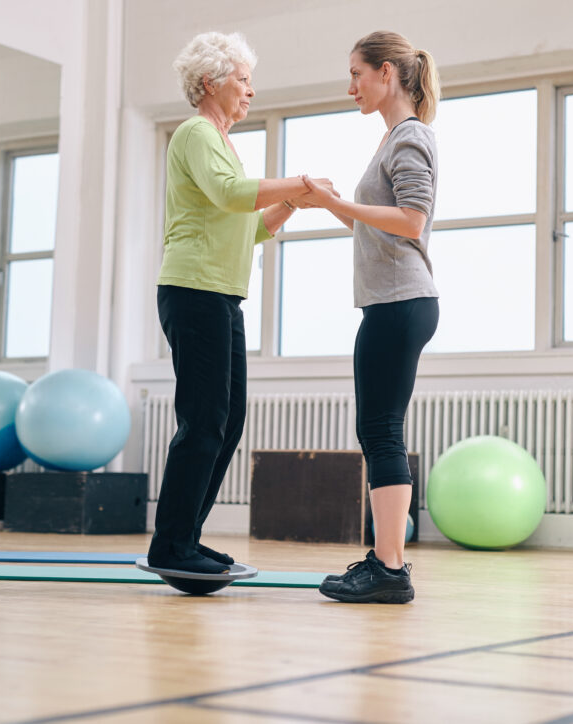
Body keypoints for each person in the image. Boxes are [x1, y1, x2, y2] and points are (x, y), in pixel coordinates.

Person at [150, 32, 334, 574]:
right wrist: (296, 182)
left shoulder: (223, 143)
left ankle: (185, 537)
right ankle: (171, 546)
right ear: (210, 82)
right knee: (203, 421)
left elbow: (247, 227)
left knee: (226, 423)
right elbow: (233, 194)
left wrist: (293, 205)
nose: (251, 91)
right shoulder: (196, 132)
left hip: (221, 297)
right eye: (243, 79)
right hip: (194, 291)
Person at [299, 31, 441, 603]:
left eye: (356, 73)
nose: (350, 85)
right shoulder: (393, 139)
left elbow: (411, 219)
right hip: (394, 302)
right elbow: (377, 225)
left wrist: (338, 203)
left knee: (381, 432)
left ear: (387, 73)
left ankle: (389, 568)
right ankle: (388, 562)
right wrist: (332, 207)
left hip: (401, 302)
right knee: (377, 430)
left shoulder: (410, 137)